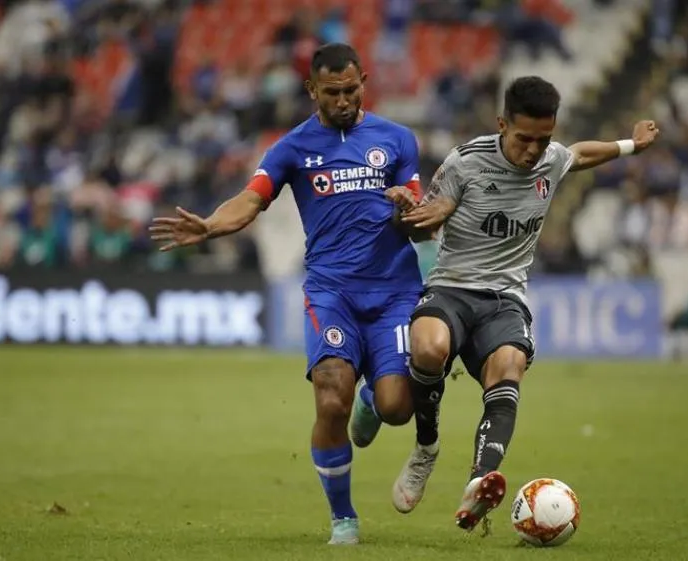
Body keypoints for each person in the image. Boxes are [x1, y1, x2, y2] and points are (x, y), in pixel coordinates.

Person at [149, 43, 424, 545]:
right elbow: (251, 199)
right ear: (311, 89)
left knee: (397, 407)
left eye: (351, 89)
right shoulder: (291, 148)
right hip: (331, 292)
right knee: (331, 398)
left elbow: (419, 214)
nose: (343, 100)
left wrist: (409, 206)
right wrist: (211, 225)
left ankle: (373, 401)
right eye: (332, 92)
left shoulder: (397, 139)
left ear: (363, 82)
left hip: (395, 292)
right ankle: (343, 518)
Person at [384, 76, 659, 531]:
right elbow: (421, 226)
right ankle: (426, 448)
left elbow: (579, 154)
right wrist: (411, 215)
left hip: (505, 297)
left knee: (510, 364)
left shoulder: (550, 159)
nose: (533, 150)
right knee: (429, 348)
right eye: (524, 138)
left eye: (543, 140)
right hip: (451, 287)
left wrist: (631, 145)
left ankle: (479, 482)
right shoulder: (465, 163)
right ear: (502, 125)